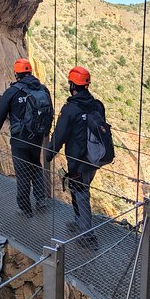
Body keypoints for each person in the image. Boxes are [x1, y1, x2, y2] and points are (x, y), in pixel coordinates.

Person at [46, 66, 105, 250]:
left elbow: (59, 135)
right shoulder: (97, 105)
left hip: (78, 160)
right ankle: (79, 223)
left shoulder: (70, 109)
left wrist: (49, 154)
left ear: (72, 85)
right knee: (79, 189)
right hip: (94, 158)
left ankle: (88, 237)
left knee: (81, 194)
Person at [0, 58, 53, 218]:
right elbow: (49, 112)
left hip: (20, 139)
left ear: (17, 74)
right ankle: (40, 200)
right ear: (30, 72)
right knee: (36, 166)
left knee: (23, 171)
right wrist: (46, 130)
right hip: (37, 137)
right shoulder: (43, 89)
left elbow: (0, 113)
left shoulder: (13, 91)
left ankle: (25, 208)